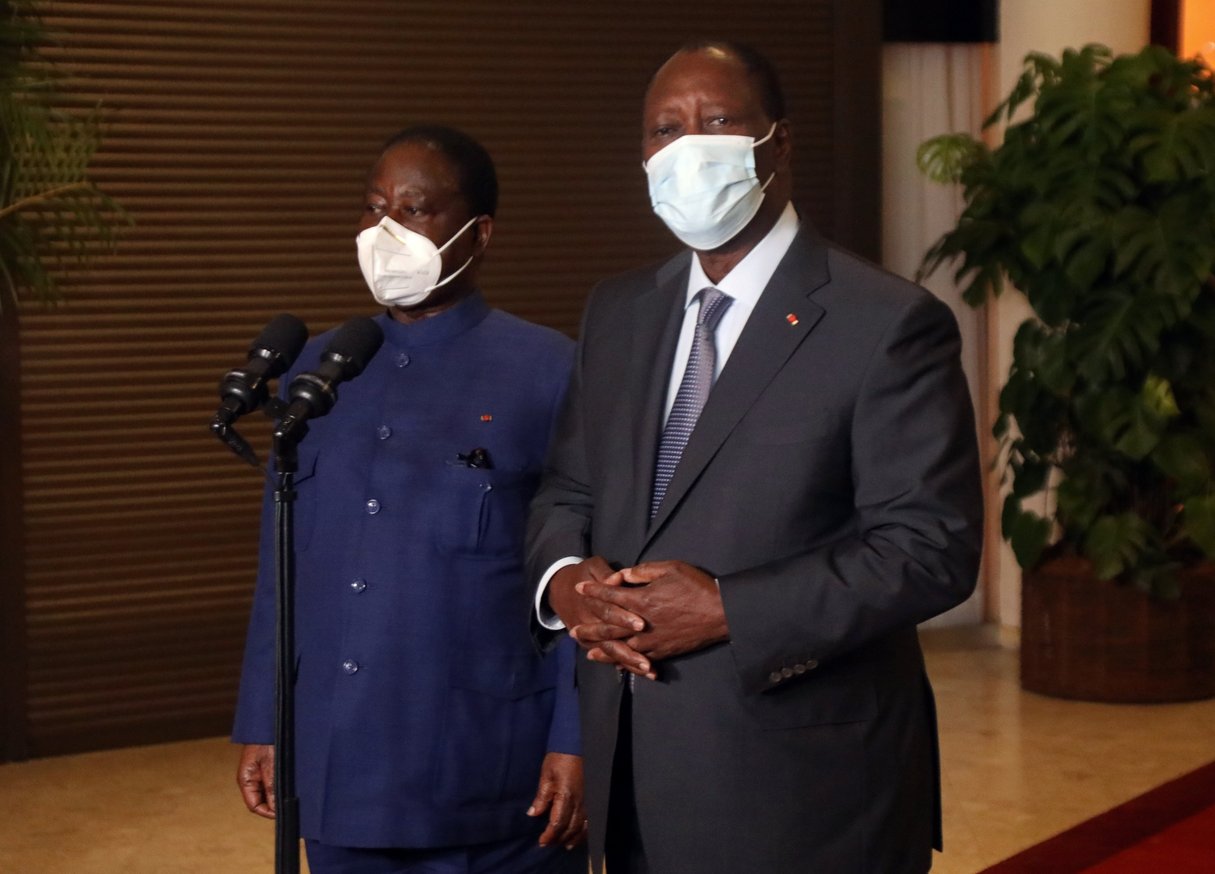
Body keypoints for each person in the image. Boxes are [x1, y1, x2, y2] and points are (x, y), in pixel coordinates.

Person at [527, 41, 983, 874]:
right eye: (664, 129)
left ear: (778, 143)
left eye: (718, 121)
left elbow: (930, 549)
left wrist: (731, 608)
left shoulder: (885, 322)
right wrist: (564, 582)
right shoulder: (619, 310)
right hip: (632, 772)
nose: (686, 146)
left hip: (807, 793)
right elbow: (568, 485)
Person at [233, 125, 587, 874]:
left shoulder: (549, 371)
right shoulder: (315, 372)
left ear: (478, 232)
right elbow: (281, 566)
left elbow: (585, 576)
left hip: (490, 773)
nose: (385, 229)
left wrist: (577, 737)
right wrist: (264, 721)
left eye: (415, 209)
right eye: (372, 209)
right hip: (337, 765)